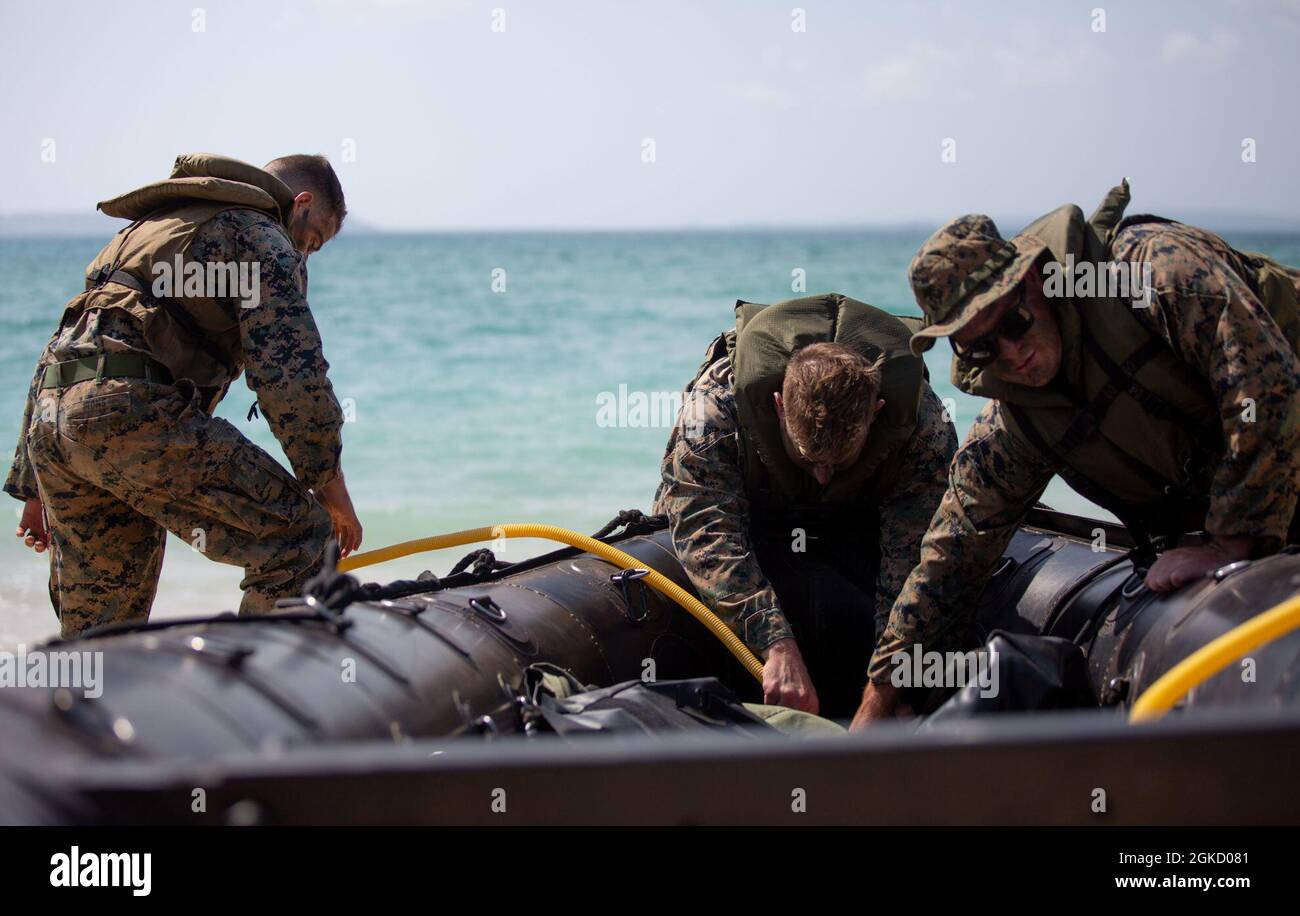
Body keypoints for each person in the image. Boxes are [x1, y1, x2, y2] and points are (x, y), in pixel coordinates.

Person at [851, 180, 1300, 729]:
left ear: (1039, 279)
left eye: (1014, 323)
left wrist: (1228, 542)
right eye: (983, 347)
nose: (1012, 354)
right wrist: (884, 691)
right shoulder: (1013, 422)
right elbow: (956, 547)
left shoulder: (1152, 269)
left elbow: (1266, 384)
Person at [6, 153, 363, 637]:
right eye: (312, 240)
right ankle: (259, 700)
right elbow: (292, 377)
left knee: (102, 628)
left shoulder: (152, 228)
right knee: (301, 537)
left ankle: (82, 709)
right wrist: (329, 487)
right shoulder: (260, 234)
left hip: (56, 427)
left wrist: (33, 485)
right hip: (131, 415)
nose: (304, 253)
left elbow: (68, 340)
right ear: (300, 204)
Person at [653, 294, 956, 718]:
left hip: (860, 526)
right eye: (809, 459)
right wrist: (777, 644)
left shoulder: (923, 424)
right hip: (753, 516)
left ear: (877, 413)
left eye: (840, 462)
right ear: (777, 406)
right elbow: (705, 531)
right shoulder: (714, 409)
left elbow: (919, 559)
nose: (823, 478)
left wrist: (886, 686)